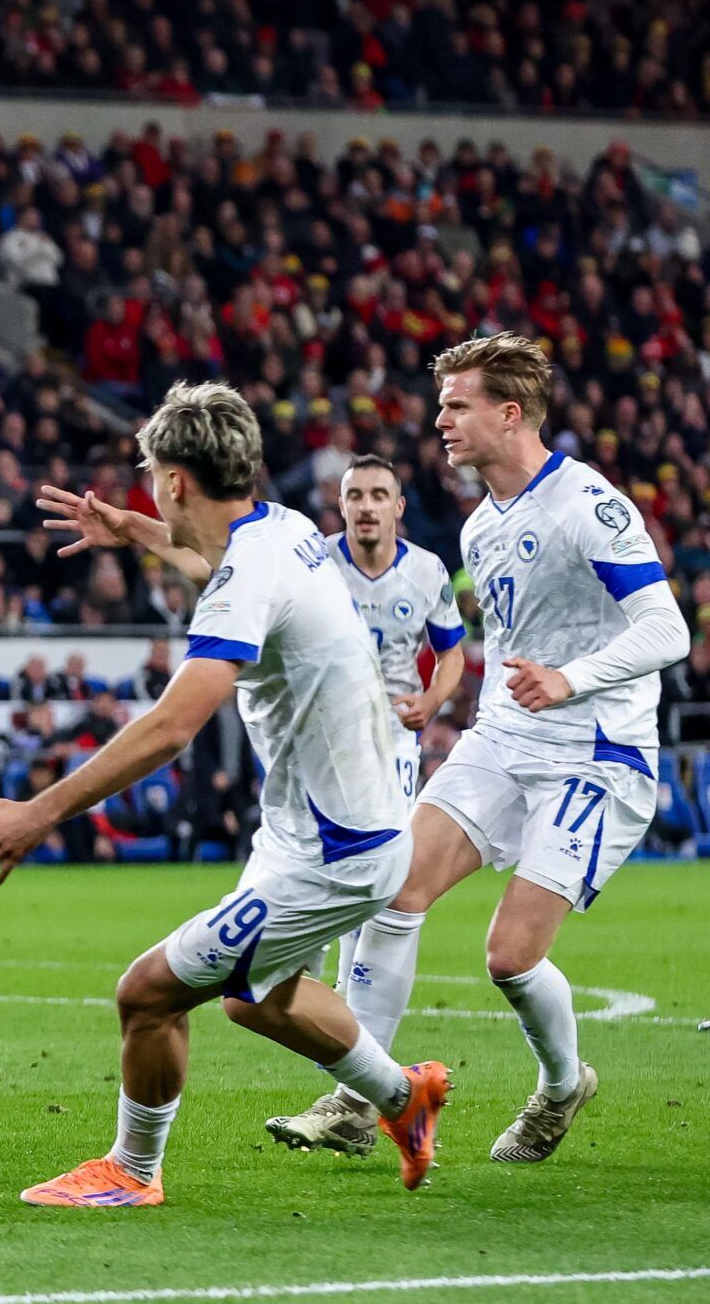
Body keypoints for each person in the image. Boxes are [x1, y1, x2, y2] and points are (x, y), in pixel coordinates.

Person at [0, 382, 447, 1206]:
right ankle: (405, 1098)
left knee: (147, 993)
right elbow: (208, 559)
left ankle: (132, 1170)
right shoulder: (285, 528)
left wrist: (42, 810)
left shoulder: (249, 573)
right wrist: (132, 529)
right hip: (325, 833)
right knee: (259, 1000)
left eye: (151, 473)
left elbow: (170, 726)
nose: (150, 485)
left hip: (332, 852)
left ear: (177, 479)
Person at [316, 334, 686, 1165]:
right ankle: (358, 1094)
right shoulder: (482, 524)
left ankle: (561, 1087)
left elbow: (668, 627)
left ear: (508, 412)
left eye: (457, 404)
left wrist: (572, 679)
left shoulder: (587, 504)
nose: (439, 419)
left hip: (596, 750)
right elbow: (515, 641)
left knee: (510, 958)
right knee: (395, 885)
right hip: (505, 738)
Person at [266, 452, 468, 1155]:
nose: (367, 506)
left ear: (399, 506)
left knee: (379, 899)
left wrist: (434, 700)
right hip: (315, 744)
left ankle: (357, 1091)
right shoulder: (312, 561)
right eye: (356, 495)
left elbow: (451, 652)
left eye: (380, 494)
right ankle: (361, 1082)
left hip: (390, 750)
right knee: (335, 883)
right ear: (341, 503)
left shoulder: (427, 571)